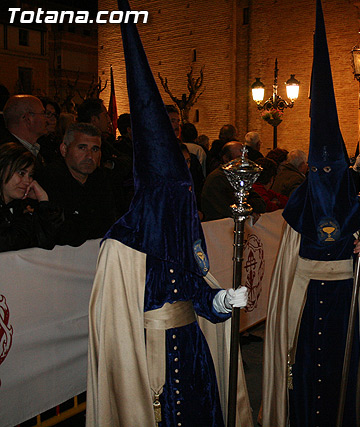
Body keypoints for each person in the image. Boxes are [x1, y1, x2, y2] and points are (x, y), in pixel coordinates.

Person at [87, 2, 249, 424]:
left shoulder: (181, 234)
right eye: (174, 196)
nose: (184, 204)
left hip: (193, 355)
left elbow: (196, 293)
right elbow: (116, 334)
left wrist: (221, 299)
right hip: (148, 364)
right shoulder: (122, 248)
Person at [261, 2, 360, 425]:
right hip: (306, 297)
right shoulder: (301, 203)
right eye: (318, 169)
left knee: (342, 369)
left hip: (346, 300)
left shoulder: (359, 202)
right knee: (304, 367)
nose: (325, 176)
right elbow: (287, 271)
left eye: (332, 169)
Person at [39, 122, 118, 246]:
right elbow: (62, 234)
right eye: (82, 148)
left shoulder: (101, 178)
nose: (89, 156)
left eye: (95, 149)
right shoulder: (49, 178)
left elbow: (110, 223)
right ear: (64, 149)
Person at [0, 142, 63, 252]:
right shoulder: (22, 211)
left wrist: (44, 201)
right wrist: (28, 219)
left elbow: (47, 241)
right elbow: (8, 242)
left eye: (30, 175)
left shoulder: (21, 206)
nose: (27, 181)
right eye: (21, 173)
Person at [200, 141, 266, 221]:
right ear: (226, 159)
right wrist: (248, 208)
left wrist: (247, 206)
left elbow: (260, 203)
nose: (244, 163)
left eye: (246, 158)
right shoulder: (217, 179)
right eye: (239, 158)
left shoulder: (241, 177)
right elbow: (229, 210)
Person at [1, 95, 48, 165]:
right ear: (28, 119)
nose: (46, 119)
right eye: (43, 113)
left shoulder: (40, 148)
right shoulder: (8, 155)